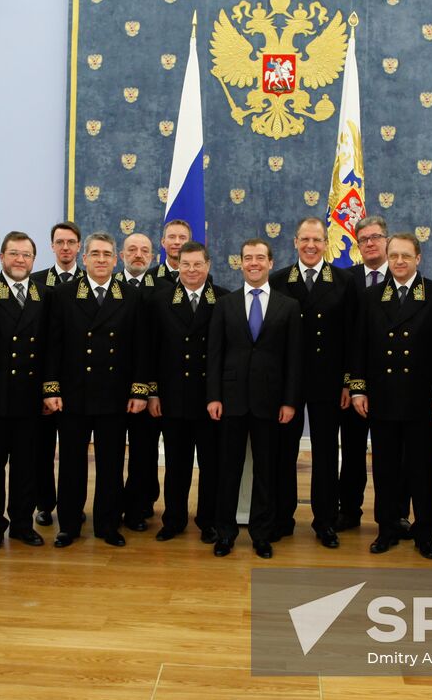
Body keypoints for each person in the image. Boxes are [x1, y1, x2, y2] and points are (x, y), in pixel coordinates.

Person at [349, 233, 432, 559]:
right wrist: (358, 388)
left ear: (418, 258)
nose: (399, 261)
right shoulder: (370, 296)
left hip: (421, 399)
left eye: (406, 256)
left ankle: (425, 533)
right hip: (382, 397)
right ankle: (387, 528)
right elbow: (359, 347)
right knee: (384, 469)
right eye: (393, 255)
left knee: (422, 470)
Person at [42, 233, 151, 547]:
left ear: (115, 260)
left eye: (107, 254)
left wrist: (139, 391)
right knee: (72, 464)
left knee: (111, 465)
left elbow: (140, 349)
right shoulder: (62, 294)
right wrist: (51, 388)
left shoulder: (131, 296)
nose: (101, 260)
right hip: (74, 394)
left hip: (115, 395)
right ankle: (70, 526)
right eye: (95, 254)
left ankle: (107, 524)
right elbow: (53, 346)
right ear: (84, 258)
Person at [206, 239, 302, 559]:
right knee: (227, 470)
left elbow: (293, 360)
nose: (254, 263)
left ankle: (262, 534)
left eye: (260, 258)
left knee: (266, 471)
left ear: (271, 263)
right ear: (240, 263)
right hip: (231, 401)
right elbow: (215, 356)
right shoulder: (225, 304)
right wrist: (213, 397)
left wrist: (289, 401)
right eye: (248, 258)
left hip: (271, 403)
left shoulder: (288, 306)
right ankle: (225, 534)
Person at [271, 217, 359, 548]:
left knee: (325, 454)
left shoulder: (344, 280)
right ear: (295, 242)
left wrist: (349, 382)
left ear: (326, 243)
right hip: (288, 384)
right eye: (305, 239)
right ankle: (282, 517)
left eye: (317, 240)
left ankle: (325, 521)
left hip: (329, 381)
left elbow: (352, 335)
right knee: (284, 452)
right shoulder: (280, 280)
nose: (311, 245)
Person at [147, 241, 228, 541]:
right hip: (173, 397)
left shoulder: (223, 299)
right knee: (176, 464)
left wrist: (219, 395)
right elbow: (151, 350)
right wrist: (153, 392)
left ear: (208, 266)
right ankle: (174, 519)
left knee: (211, 464)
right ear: (177, 265)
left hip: (210, 400)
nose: (192, 270)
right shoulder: (160, 299)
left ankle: (208, 520)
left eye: (198, 264)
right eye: (186, 264)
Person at [0, 231, 50, 549]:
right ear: (2, 256)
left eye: (26, 255)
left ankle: (22, 523)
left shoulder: (44, 293)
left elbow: (50, 346)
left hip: (30, 396)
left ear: (34, 260)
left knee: (26, 464)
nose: (20, 260)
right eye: (14, 253)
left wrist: (49, 390)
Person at [337, 215, 390, 530]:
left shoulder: (403, 276)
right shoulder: (346, 280)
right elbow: (343, 336)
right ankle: (349, 511)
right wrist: (349, 382)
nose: (370, 243)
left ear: (386, 239)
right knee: (353, 452)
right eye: (363, 239)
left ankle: (394, 513)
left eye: (375, 237)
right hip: (354, 384)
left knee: (393, 456)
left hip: (392, 383)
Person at [29, 221, 83, 527]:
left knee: (74, 452)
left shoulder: (92, 281)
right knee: (43, 448)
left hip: (78, 382)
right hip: (45, 380)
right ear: (52, 246)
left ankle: (71, 505)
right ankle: (45, 503)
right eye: (60, 242)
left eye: (71, 242)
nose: (65, 247)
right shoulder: (37, 282)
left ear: (79, 247)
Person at [115, 232, 165, 530]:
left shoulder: (164, 290)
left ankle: (138, 507)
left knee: (143, 452)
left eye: (144, 250)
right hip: (111, 386)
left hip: (147, 387)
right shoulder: (110, 286)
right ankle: (111, 505)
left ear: (152, 257)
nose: (138, 255)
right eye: (132, 249)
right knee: (110, 454)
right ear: (121, 255)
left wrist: (151, 388)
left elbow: (163, 345)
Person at [157, 219, 192, 283]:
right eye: (172, 237)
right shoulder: (150, 276)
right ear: (163, 242)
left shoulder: (200, 277)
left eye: (182, 238)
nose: (177, 242)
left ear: (189, 243)